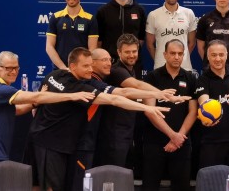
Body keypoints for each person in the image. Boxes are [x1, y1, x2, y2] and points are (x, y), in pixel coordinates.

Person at [26, 47, 170, 191]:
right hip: (48, 143)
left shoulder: (54, 75)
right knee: (50, 187)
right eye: (86, 66)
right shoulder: (79, 88)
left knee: (45, 184)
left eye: (91, 64)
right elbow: (114, 99)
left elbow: (38, 103)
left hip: (50, 140)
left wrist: (157, 95)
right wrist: (148, 107)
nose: (90, 69)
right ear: (72, 66)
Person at [69, 48, 181, 191]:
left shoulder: (97, 81)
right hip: (81, 144)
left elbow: (122, 94)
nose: (109, 63)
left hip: (92, 143)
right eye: (104, 60)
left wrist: (155, 97)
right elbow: (122, 94)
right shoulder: (87, 83)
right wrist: (154, 99)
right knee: (86, 183)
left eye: (110, 60)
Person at [0, 51, 94, 186]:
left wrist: (36, 103)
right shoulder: (1, 90)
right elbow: (36, 97)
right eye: (8, 68)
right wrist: (72, 95)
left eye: (16, 67)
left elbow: (17, 110)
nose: (13, 71)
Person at [93, 34, 170, 172]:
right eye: (127, 52)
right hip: (113, 137)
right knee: (113, 177)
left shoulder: (131, 69)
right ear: (118, 52)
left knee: (125, 176)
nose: (131, 55)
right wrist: (163, 94)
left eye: (134, 51)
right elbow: (136, 86)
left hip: (126, 135)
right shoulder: (117, 71)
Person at [142, 39, 197, 191]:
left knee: (181, 187)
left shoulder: (191, 78)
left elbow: (193, 112)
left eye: (180, 54)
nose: (176, 57)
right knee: (150, 186)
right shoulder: (152, 77)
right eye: (172, 53)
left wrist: (178, 137)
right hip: (154, 142)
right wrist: (172, 135)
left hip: (182, 142)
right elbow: (149, 111)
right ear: (165, 54)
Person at [194, 39, 229, 170]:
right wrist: (206, 108)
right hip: (211, 142)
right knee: (212, 183)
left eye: (221, 55)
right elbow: (203, 100)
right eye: (213, 55)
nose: (218, 59)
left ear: (227, 55)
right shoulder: (202, 79)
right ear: (207, 56)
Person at [95, 0, 146, 77]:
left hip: (133, 63)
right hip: (110, 63)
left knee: (135, 91)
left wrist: (130, 53)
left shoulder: (139, 10)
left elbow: (141, 38)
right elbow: (99, 40)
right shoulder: (103, 11)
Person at [46, 0, 98, 70]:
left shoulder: (90, 19)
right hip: (60, 70)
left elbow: (92, 49)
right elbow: (49, 47)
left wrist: (81, 68)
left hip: (82, 71)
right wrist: (63, 68)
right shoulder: (55, 17)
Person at [146, 0, 197, 71]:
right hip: (160, 67)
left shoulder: (188, 13)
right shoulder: (153, 15)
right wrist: (159, 60)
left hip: (184, 67)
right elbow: (150, 44)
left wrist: (181, 58)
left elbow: (192, 42)